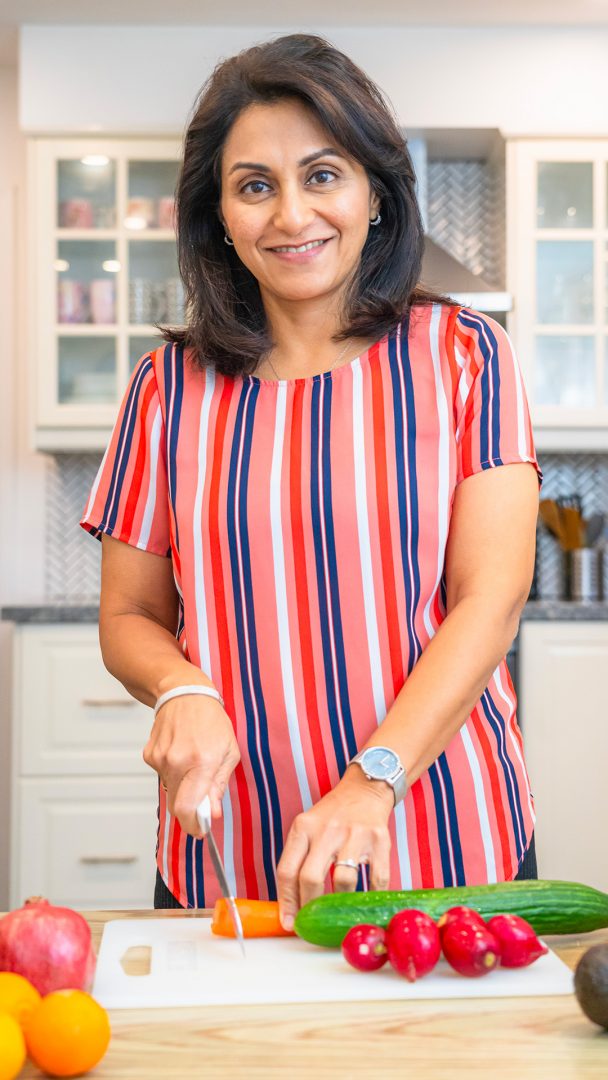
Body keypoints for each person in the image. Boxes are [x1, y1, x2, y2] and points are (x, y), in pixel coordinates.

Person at [80, 32, 543, 924]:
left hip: (446, 843)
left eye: (323, 174)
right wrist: (179, 686)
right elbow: (131, 616)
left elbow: (492, 597)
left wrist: (373, 780)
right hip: (231, 860)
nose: (292, 214)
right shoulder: (164, 390)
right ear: (218, 216)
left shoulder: (466, 358)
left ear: (374, 190)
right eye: (255, 185)